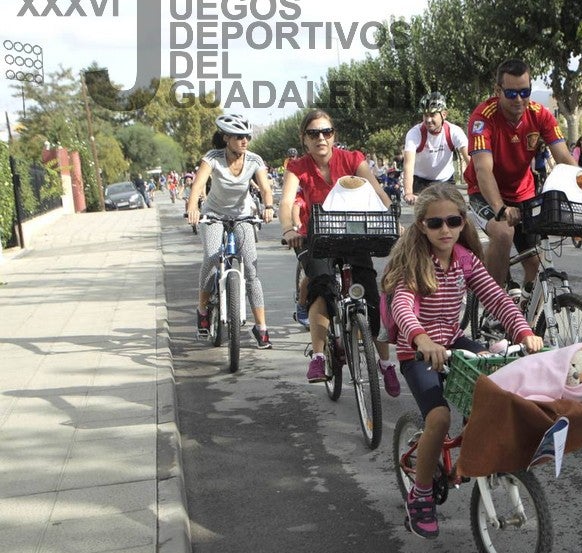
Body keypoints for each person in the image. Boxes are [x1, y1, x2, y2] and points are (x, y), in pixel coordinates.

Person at [380, 184, 544, 538]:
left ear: (462, 222)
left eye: (452, 221)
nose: (445, 230)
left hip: (454, 343)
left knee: (493, 384)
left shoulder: (466, 260)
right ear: (422, 225)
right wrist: (420, 338)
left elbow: (496, 298)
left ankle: (473, 452)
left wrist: (523, 331)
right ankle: (420, 495)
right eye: (435, 223)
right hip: (418, 352)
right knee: (439, 417)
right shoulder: (414, 262)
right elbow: (403, 307)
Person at [278, 109, 402, 396]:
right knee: (321, 287)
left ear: (334, 136)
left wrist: (393, 222)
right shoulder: (297, 167)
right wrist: (288, 229)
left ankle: (385, 364)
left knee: (371, 296)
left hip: (354, 234)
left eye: (326, 132)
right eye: (313, 133)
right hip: (316, 237)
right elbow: (286, 202)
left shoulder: (352, 159)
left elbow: (377, 191)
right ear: (304, 139)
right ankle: (319, 358)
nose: (321, 138)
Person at [464, 58, 575, 288]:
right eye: (512, 93)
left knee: (536, 263)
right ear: (498, 90)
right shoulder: (483, 117)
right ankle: (494, 307)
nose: (520, 100)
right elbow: (483, 169)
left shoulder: (540, 114)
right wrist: (500, 209)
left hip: (523, 193)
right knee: (504, 233)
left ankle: (527, 314)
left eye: (525, 92)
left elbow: (564, 158)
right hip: (485, 192)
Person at [185, 114, 276, 349]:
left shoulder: (254, 160)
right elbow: (197, 186)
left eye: (246, 136)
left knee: (251, 269)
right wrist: (193, 208)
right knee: (212, 256)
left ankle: (262, 328)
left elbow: (266, 189)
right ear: (226, 138)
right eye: (238, 137)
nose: (244, 141)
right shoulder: (212, 158)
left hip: (242, 215)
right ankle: (203, 310)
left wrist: (268, 207)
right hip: (213, 215)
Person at [402, 92, 470, 206]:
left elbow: (470, 159)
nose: (428, 120)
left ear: (444, 114)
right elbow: (408, 165)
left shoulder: (454, 131)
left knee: (453, 214)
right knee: (425, 219)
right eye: (425, 115)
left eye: (432, 115)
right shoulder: (415, 133)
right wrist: (408, 193)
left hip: (446, 181)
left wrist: (478, 186)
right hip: (421, 182)